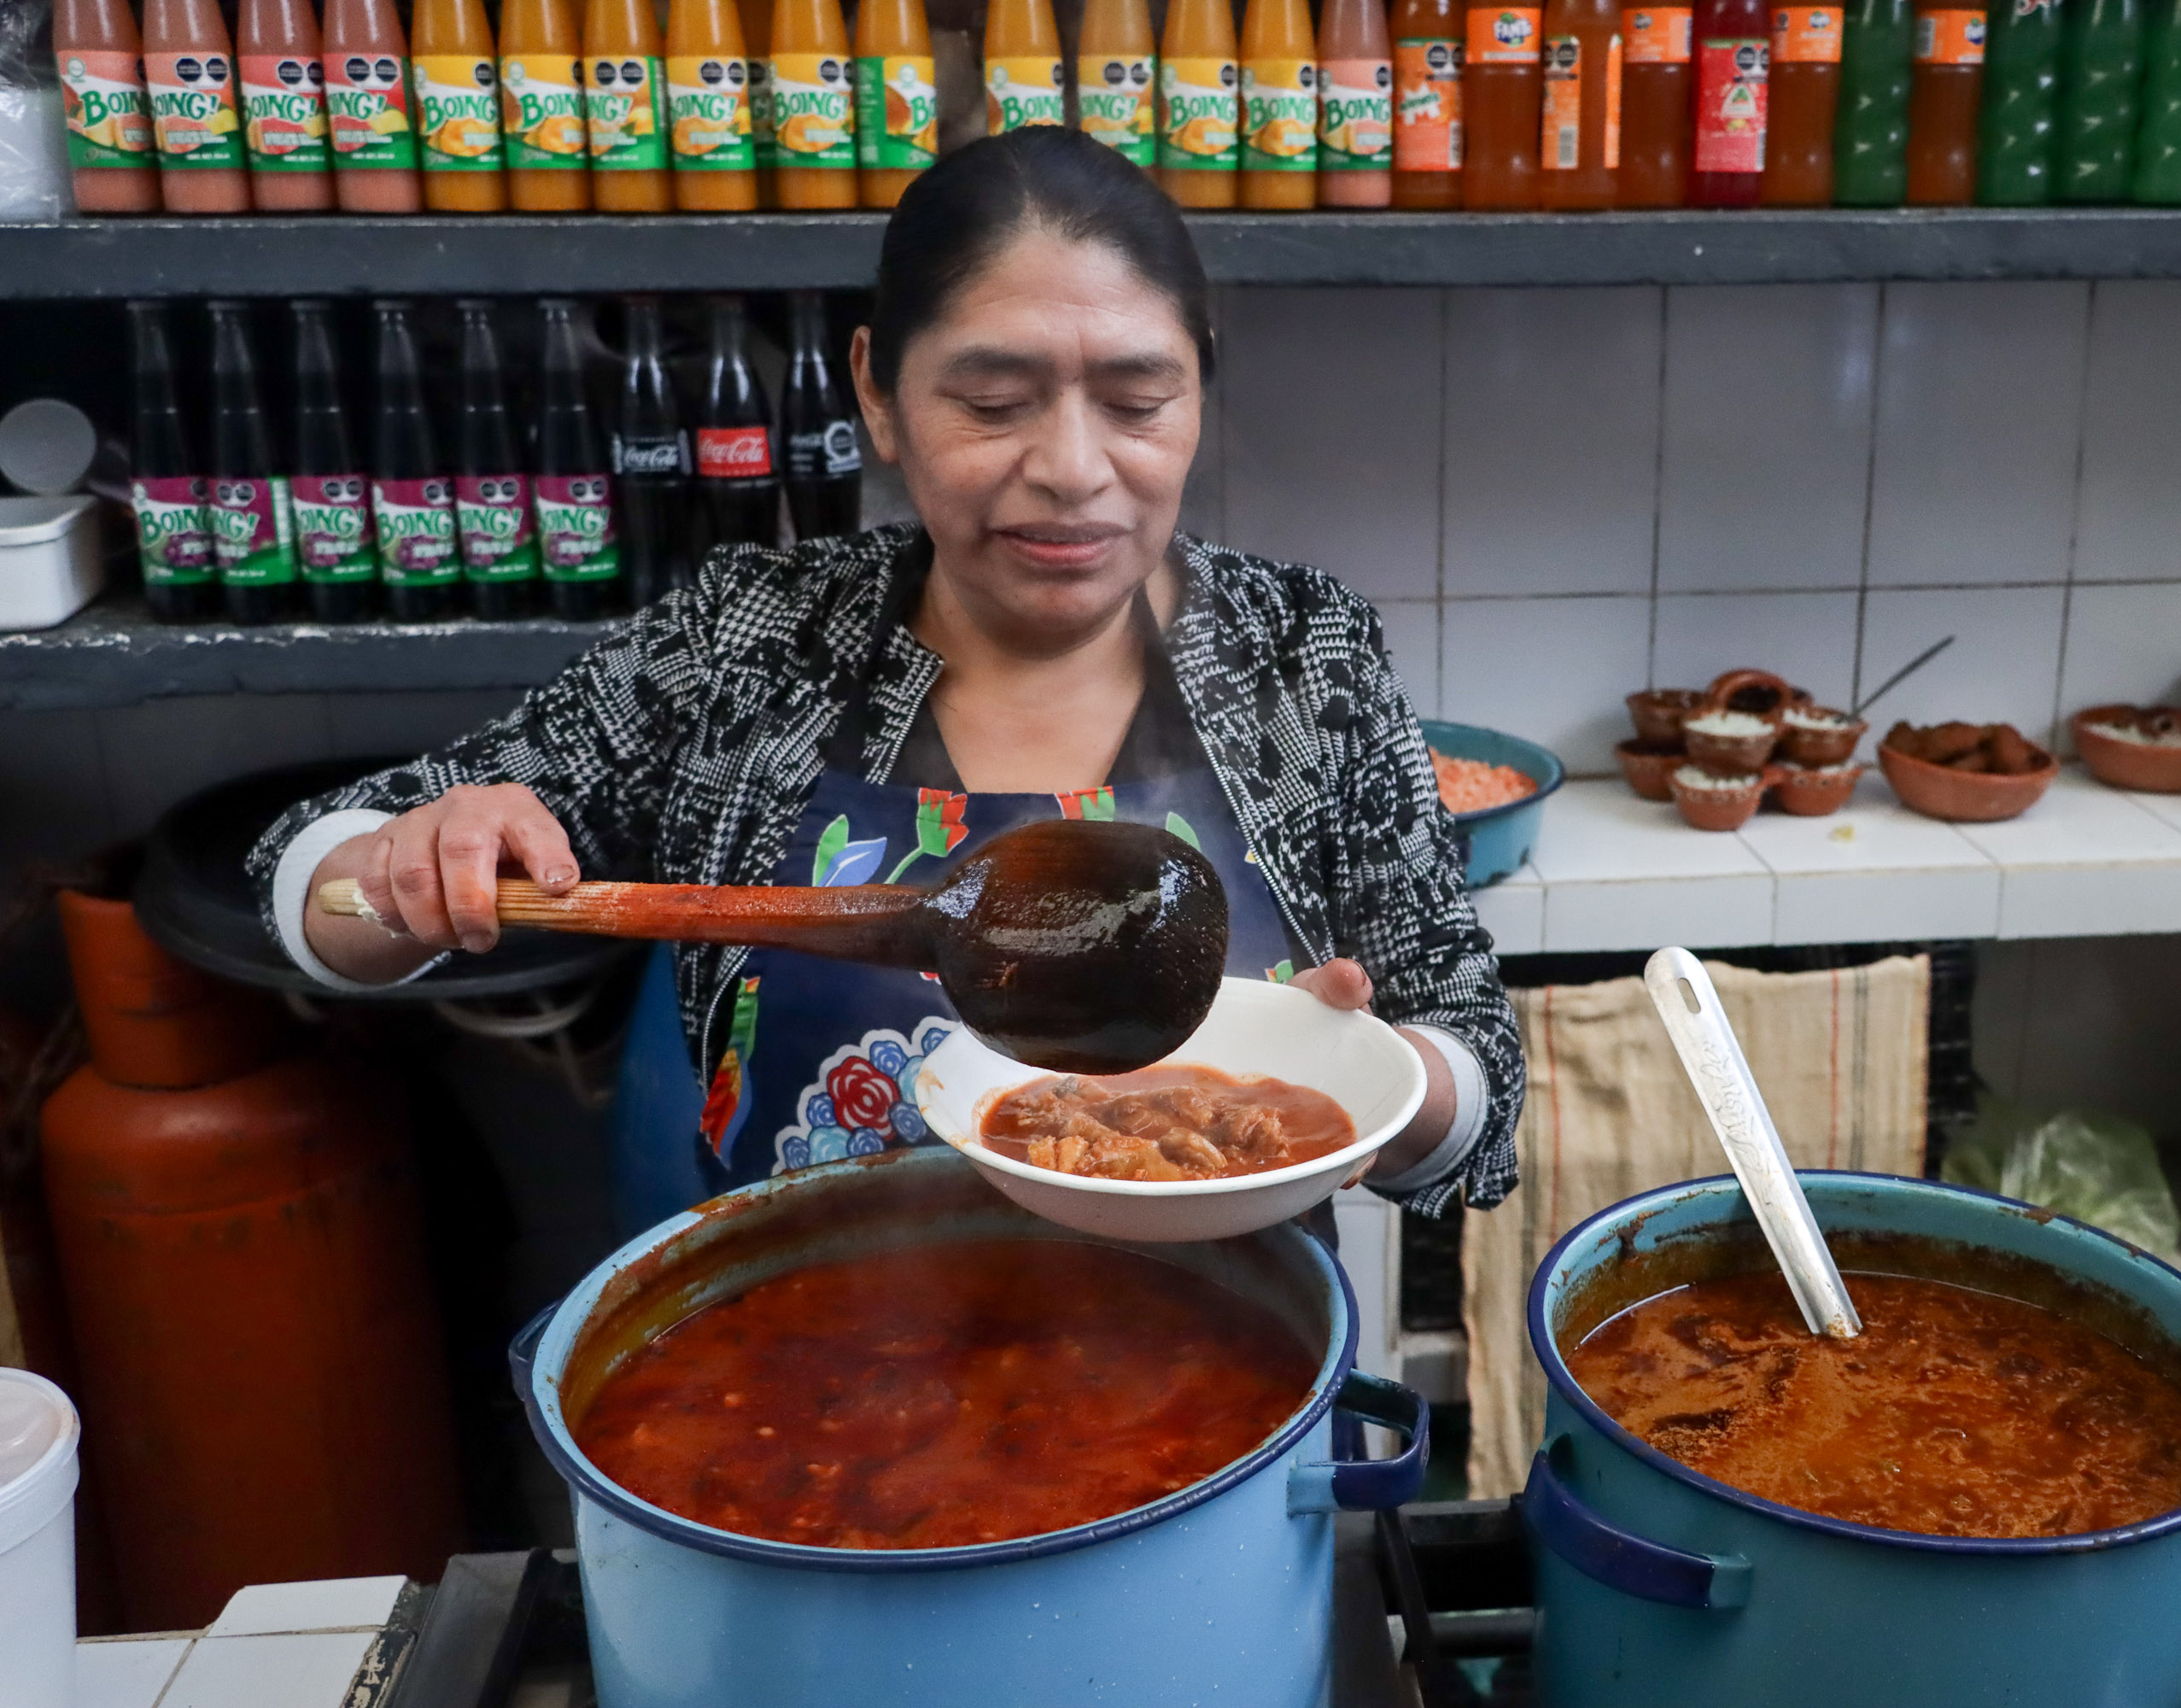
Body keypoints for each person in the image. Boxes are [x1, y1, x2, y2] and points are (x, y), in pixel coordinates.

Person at [250, 128, 1521, 1212]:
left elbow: (1481, 1076)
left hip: (1224, 1376)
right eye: (993, 401)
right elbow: (307, 869)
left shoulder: (1302, 654)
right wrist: (408, 865)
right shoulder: (752, 638)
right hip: (805, 1388)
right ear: (878, 391)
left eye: (1137, 400)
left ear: (1197, 387)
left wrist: (1371, 1086)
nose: (1075, 468)